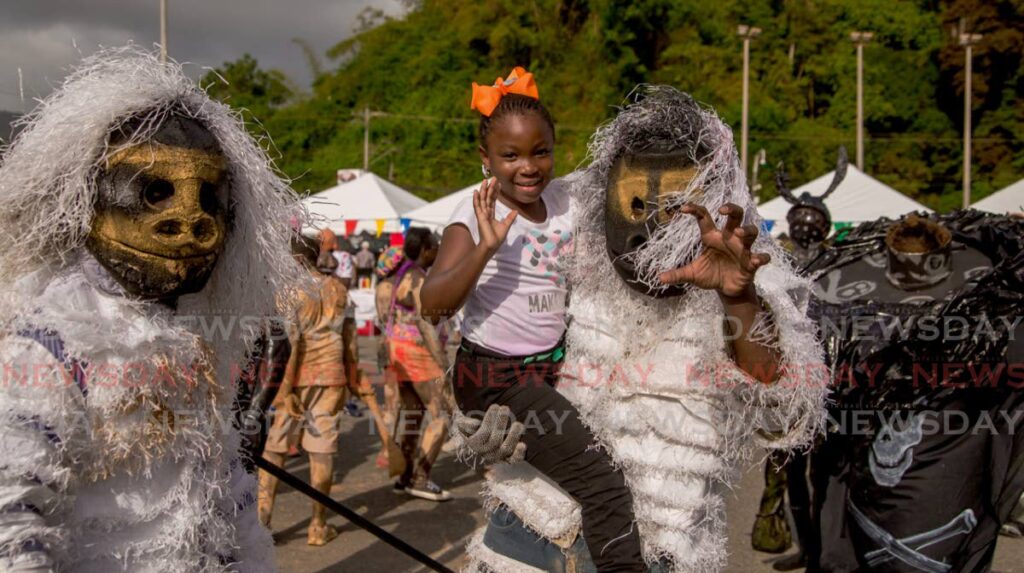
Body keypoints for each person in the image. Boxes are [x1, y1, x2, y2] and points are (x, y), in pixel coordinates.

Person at [453, 86, 826, 572]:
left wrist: (738, 296)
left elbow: (784, 418)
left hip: (655, 554)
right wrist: (479, 419)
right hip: (526, 537)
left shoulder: (748, 268)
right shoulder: (574, 246)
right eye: (633, 203)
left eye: (674, 209)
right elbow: (498, 346)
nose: (647, 229)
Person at [0, 47, 291, 571]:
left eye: (207, 198)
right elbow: (14, 523)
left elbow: (231, 498)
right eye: (155, 191)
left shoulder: (198, 335)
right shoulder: (49, 346)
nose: (188, 222)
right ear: (86, 198)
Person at [420, 67, 647, 571]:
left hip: (552, 368)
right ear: (486, 160)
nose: (528, 166)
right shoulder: (472, 211)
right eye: (511, 155)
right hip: (494, 377)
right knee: (601, 480)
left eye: (540, 151)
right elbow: (432, 304)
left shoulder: (565, 200)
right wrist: (486, 247)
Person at [258, 236, 348, 546]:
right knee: (322, 451)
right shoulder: (337, 288)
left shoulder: (291, 292)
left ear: (294, 259)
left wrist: (284, 391)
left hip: (296, 379)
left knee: (275, 450)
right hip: (332, 376)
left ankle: (262, 522)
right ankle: (318, 525)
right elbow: (347, 341)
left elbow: (291, 342)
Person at [384, 228, 453, 501]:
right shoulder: (419, 279)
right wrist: (442, 363)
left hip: (398, 351)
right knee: (442, 415)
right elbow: (426, 325)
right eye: (435, 245)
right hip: (417, 353)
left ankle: (405, 476)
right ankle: (420, 478)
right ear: (425, 249)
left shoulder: (405, 274)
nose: (438, 249)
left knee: (413, 416)